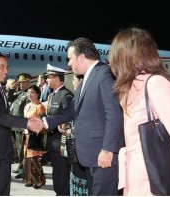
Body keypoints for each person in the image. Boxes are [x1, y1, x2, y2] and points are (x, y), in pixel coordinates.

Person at [39, 37, 124, 195]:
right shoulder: (87, 78)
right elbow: (72, 110)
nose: (69, 64)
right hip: (90, 155)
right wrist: (45, 122)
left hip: (102, 155)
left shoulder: (104, 73)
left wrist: (108, 149)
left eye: (70, 59)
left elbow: (114, 115)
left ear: (82, 57)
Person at [108, 27, 170, 196]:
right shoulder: (130, 90)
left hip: (155, 180)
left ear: (127, 56)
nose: (111, 62)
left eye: (115, 55)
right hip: (136, 179)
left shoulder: (155, 84)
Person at [0, 53, 43, 195]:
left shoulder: (0, 89)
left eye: (7, 67)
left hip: (3, 150)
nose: (6, 71)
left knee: (3, 190)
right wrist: (26, 122)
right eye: (1, 67)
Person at [45, 63, 74, 195]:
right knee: (56, 171)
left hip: (61, 143)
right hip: (52, 142)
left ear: (57, 79)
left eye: (49, 77)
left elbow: (69, 117)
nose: (46, 80)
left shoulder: (66, 95)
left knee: (62, 172)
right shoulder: (52, 96)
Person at [58, 74, 88, 196]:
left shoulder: (85, 99)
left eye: (74, 80)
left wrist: (72, 131)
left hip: (82, 150)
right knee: (74, 178)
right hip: (73, 151)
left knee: (82, 181)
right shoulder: (77, 98)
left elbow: (86, 124)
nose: (72, 82)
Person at [6, 73, 32, 179]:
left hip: (22, 126)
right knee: (19, 149)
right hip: (15, 125)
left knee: (22, 149)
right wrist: (12, 89)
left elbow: (28, 111)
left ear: (27, 83)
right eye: (20, 83)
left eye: (23, 83)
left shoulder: (28, 94)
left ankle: (23, 170)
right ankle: (20, 167)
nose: (21, 85)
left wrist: (25, 126)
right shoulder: (20, 93)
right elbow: (10, 98)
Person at [22, 85, 47, 189]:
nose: (29, 94)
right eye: (28, 92)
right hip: (26, 136)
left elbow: (44, 123)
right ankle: (29, 179)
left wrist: (34, 129)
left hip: (35, 136)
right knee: (27, 159)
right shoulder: (27, 106)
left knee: (34, 159)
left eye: (32, 92)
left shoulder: (40, 107)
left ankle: (39, 181)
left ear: (37, 94)